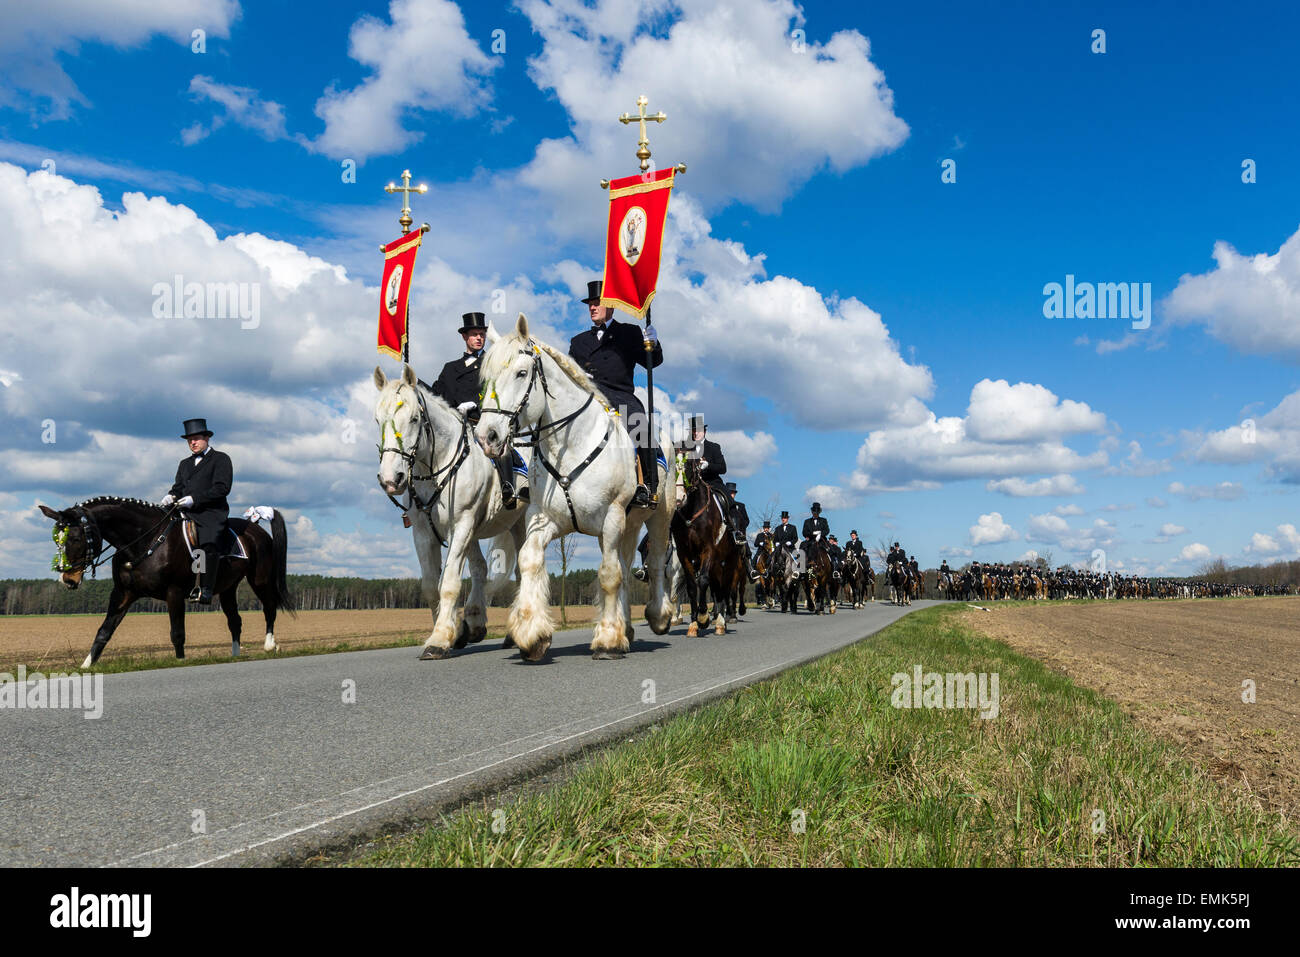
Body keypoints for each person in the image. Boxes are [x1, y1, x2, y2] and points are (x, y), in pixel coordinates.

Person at [568, 280, 663, 509]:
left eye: (597, 303)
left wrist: (653, 343)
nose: (592, 307)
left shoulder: (628, 333)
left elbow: (653, 363)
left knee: (641, 426)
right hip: (588, 397)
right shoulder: (578, 341)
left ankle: (648, 485)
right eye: (590, 304)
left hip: (620, 396)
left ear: (610, 304)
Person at [432, 311, 527, 508]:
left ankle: (507, 487)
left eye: (482, 334)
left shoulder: (492, 363)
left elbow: (500, 391)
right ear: (464, 337)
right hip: (453, 427)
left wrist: (476, 403)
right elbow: (436, 396)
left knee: (500, 445)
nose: (479, 338)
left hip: (479, 422)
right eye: (474, 334)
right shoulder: (450, 369)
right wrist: (415, 383)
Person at [161, 418, 231, 604]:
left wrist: (195, 499)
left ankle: (205, 589)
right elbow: (178, 487)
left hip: (210, 513)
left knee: (207, 543)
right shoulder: (184, 464)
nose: (193, 443)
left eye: (197, 438)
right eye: (189, 440)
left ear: (207, 438)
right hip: (185, 512)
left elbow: (222, 488)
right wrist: (171, 495)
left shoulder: (221, 459)